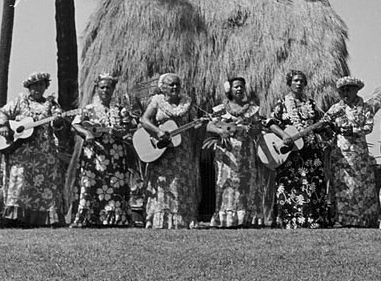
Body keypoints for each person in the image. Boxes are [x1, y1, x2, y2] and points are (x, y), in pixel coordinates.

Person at [267, 69, 333, 228]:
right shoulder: (282, 103)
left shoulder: (311, 103)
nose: (299, 83)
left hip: (311, 150)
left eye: (301, 81)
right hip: (291, 152)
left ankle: (313, 219)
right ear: (289, 83)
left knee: (313, 182)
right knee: (291, 183)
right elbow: (271, 123)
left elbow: (318, 125)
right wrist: (284, 135)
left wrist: (325, 127)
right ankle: (291, 219)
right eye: (295, 80)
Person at [0, 71, 67, 226]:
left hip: (44, 153)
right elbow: (2, 112)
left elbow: (58, 126)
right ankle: (15, 219)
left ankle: (46, 219)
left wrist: (57, 122)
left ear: (45, 87)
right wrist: (3, 126)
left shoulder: (52, 105)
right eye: (34, 85)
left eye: (41, 84)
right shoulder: (19, 101)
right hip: (21, 153)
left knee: (46, 185)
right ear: (29, 87)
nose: (38, 88)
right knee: (20, 183)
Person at [139, 72, 205, 228]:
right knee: (164, 183)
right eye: (171, 84)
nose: (175, 87)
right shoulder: (156, 101)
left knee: (181, 182)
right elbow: (144, 120)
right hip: (163, 152)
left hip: (183, 150)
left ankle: (183, 218)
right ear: (163, 87)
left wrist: (198, 126)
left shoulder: (188, 103)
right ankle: (161, 218)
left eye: (177, 84)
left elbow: (194, 125)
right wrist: (158, 132)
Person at [71, 73, 136, 227]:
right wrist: (87, 133)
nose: (105, 90)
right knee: (91, 183)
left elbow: (128, 127)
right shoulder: (88, 109)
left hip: (115, 153)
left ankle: (115, 218)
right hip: (94, 153)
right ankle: (88, 218)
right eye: (102, 87)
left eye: (108, 87)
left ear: (113, 89)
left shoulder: (120, 110)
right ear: (97, 89)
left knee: (115, 184)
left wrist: (118, 131)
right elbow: (76, 124)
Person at [208, 76, 268, 228]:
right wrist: (220, 132)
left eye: (241, 86)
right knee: (227, 182)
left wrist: (250, 128)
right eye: (236, 87)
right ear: (230, 90)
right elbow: (209, 126)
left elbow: (258, 128)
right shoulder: (220, 109)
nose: (239, 89)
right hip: (227, 152)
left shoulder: (252, 109)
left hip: (247, 151)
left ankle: (247, 217)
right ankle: (227, 218)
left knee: (246, 183)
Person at [326, 75, 380, 227]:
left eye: (349, 90)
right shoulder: (336, 108)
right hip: (341, 153)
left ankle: (364, 219)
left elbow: (368, 127)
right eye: (343, 90)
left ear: (356, 90)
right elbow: (325, 123)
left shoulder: (365, 108)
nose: (345, 93)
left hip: (359, 153)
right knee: (343, 184)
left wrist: (354, 130)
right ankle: (344, 219)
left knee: (361, 185)